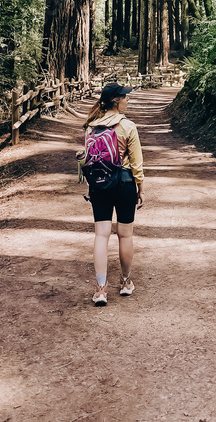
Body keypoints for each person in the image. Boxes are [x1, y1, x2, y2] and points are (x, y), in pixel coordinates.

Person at [82, 82, 144, 306]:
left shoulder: (91, 126)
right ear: (116, 101)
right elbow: (137, 164)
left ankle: (100, 290)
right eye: (125, 97)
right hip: (125, 182)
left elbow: (86, 159)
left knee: (101, 234)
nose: (128, 100)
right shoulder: (127, 126)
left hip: (99, 185)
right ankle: (126, 282)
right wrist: (140, 189)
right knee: (125, 234)